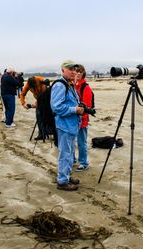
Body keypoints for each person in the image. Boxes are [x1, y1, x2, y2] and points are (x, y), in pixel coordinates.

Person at [51, 60, 84, 191]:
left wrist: (80, 107)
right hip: (64, 125)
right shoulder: (60, 85)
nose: (73, 72)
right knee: (65, 154)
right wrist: (74, 110)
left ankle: (66, 176)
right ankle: (62, 181)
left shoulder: (69, 84)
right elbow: (56, 107)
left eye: (75, 70)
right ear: (63, 70)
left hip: (71, 125)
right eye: (70, 69)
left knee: (69, 153)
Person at [74, 64, 92, 171]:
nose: (77, 74)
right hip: (72, 119)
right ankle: (73, 160)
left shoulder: (85, 87)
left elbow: (87, 106)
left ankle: (84, 163)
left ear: (83, 73)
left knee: (81, 142)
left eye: (79, 72)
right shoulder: (72, 85)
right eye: (75, 72)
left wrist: (82, 117)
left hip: (82, 120)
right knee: (72, 142)